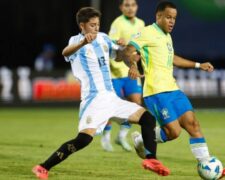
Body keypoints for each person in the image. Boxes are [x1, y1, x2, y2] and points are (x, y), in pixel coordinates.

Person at [32, 7, 169, 179]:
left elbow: (118, 56)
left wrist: (124, 50)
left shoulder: (103, 38)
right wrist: (82, 43)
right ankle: (43, 167)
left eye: (97, 24)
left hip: (111, 97)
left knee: (147, 118)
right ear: (82, 25)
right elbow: (65, 52)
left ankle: (151, 160)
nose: (96, 28)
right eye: (92, 25)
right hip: (94, 100)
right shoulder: (76, 41)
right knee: (83, 140)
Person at [122, 1, 225, 178]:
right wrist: (133, 65)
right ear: (159, 16)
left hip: (173, 89)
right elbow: (128, 51)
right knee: (174, 132)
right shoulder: (148, 32)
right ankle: (142, 139)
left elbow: (173, 59)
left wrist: (198, 65)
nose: (172, 21)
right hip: (156, 92)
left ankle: (207, 165)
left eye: (174, 18)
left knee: (193, 124)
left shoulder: (167, 36)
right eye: (168, 17)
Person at [99, 0, 145, 152]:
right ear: (121, 8)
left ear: (137, 7)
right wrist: (118, 42)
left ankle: (121, 136)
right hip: (115, 72)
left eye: (133, 5)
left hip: (131, 71)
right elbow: (109, 42)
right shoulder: (117, 23)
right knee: (111, 107)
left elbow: (142, 45)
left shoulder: (141, 23)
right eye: (127, 5)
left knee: (136, 104)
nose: (130, 8)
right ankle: (105, 137)